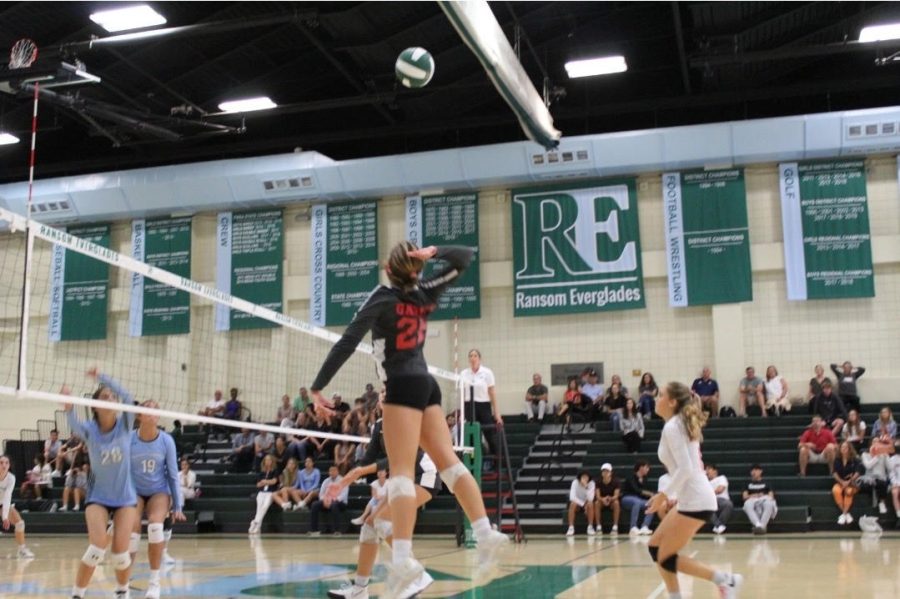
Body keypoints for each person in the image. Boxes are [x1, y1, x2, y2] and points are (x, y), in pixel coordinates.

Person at [309, 242, 507, 597]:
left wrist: (317, 387)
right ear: (413, 268)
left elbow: (347, 341)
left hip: (400, 384)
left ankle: (402, 559)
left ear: (388, 267)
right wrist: (432, 253)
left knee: (400, 473)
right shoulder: (424, 292)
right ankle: (486, 532)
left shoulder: (383, 298)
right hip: (427, 385)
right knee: (450, 464)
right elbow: (464, 256)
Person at [325, 401, 441, 598]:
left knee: (382, 520)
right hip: (401, 477)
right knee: (370, 524)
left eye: (388, 391)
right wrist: (346, 479)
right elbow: (368, 458)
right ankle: (359, 590)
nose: (384, 395)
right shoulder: (379, 424)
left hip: (424, 475)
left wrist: (364, 470)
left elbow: (404, 456)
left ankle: (416, 575)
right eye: (382, 392)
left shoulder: (406, 418)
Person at [645, 382, 743, 599]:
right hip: (692, 498)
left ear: (672, 402)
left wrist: (663, 496)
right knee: (655, 548)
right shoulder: (676, 423)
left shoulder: (673, 426)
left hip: (697, 499)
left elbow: (686, 469)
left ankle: (725, 580)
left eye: (660, 395)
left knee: (665, 556)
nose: (655, 399)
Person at [63, 370, 139, 599]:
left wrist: (102, 378)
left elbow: (127, 396)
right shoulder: (89, 430)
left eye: (111, 397)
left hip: (125, 498)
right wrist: (68, 405)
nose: (111, 399)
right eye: (105, 397)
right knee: (96, 547)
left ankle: (122, 591)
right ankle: (77, 594)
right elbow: (72, 420)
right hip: (98, 498)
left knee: (119, 554)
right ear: (94, 406)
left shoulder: (125, 423)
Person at [130, 399, 185, 599]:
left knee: (155, 526)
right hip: (134, 491)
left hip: (158, 491)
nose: (153, 413)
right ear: (139, 415)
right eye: (148, 409)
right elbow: (123, 473)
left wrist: (177, 504)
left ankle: (154, 583)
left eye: (156, 410)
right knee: (131, 531)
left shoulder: (166, 440)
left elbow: (172, 474)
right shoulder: (130, 439)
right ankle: (124, 580)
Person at [459, 348, 503, 462]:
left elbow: (492, 393)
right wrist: (460, 413)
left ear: (479, 358)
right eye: (470, 356)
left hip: (483, 405)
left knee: (489, 433)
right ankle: (474, 461)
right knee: (473, 436)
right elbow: (462, 394)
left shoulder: (487, 372)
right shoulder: (464, 373)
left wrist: (497, 413)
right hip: (469, 406)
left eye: (475, 356)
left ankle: (497, 460)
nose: (472, 358)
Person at [0, 454, 35, 558]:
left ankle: (22, 550)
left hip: (2, 505)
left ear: (9, 465)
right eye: (1, 463)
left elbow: (7, 497)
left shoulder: (11, 478)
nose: (4, 465)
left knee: (19, 523)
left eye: (6, 463)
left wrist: (5, 517)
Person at [309, 465, 349, 536]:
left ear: (337, 471)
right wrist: (324, 500)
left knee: (334, 505)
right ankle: (314, 530)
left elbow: (343, 495)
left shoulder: (343, 480)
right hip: (326, 501)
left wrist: (332, 501)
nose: (332, 472)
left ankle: (337, 530)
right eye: (330, 471)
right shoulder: (326, 481)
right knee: (315, 504)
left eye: (334, 470)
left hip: (340, 502)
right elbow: (321, 494)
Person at [248, 454, 280, 534]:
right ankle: (258, 527)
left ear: (272, 461)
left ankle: (255, 522)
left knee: (265, 506)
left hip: (270, 492)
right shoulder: (262, 472)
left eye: (269, 460)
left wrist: (265, 481)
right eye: (266, 460)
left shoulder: (275, 471)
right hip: (261, 492)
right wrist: (267, 482)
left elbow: (274, 481)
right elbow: (258, 484)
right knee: (259, 508)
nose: (268, 461)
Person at [832, 441, 861, 525]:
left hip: (852, 483)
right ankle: (845, 514)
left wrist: (848, 482)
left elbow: (858, 472)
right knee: (835, 490)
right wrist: (842, 482)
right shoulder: (837, 460)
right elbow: (834, 473)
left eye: (845, 447)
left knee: (849, 492)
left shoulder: (855, 459)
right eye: (842, 447)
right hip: (840, 482)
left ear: (849, 449)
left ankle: (843, 514)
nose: (843, 449)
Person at [621, 460, 654, 535]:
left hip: (639, 500)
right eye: (646, 467)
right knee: (637, 502)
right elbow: (636, 490)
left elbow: (646, 492)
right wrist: (649, 493)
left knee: (652, 504)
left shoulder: (645, 479)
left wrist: (651, 497)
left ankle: (645, 526)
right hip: (627, 498)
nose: (648, 469)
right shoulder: (631, 477)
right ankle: (633, 527)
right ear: (641, 467)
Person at [742, 464, 777, 535]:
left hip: (764, 498)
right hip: (752, 499)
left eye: (756, 470)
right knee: (747, 504)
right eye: (752, 471)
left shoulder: (766, 483)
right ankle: (759, 525)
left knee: (769, 503)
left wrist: (762, 495)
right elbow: (745, 497)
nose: (754, 472)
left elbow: (771, 496)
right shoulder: (747, 484)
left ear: (760, 471)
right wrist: (754, 495)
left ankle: (761, 526)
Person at [566, 471, 597, 536]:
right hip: (578, 504)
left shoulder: (592, 483)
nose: (585, 478)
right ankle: (571, 528)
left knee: (590, 504)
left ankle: (590, 527)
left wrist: (586, 487)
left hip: (587, 504)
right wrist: (583, 504)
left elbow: (590, 498)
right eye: (583, 477)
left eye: (586, 477)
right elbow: (572, 497)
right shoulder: (575, 482)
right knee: (572, 504)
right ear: (580, 478)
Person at [705, 464, 732, 535]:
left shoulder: (721, 478)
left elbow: (720, 489)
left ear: (715, 471)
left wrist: (709, 494)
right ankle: (719, 526)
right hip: (709, 501)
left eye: (708, 469)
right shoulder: (704, 482)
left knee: (728, 504)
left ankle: (718, 525)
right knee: (705, 506)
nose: (706, 471)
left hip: (721, 499)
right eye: (706, 470)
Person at [594, 463, 620, 535]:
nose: (605, 473)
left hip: (611, 500)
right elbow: (597, 496)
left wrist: (610, 499)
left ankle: (615, 527)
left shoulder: (616, 481)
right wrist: (603, 499)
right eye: (603, 471)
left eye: (607, 471)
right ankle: (598, 527)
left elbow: (616, 495)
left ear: (611, 473)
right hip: (602, 501)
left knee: (616, 503)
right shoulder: (598, 481)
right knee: (596, 503)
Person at [890, 452, 900, 519]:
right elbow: (891, 473)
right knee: (894, 492)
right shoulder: (893, 459)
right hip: (897, 482)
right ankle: (899, 516)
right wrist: (895, 483)